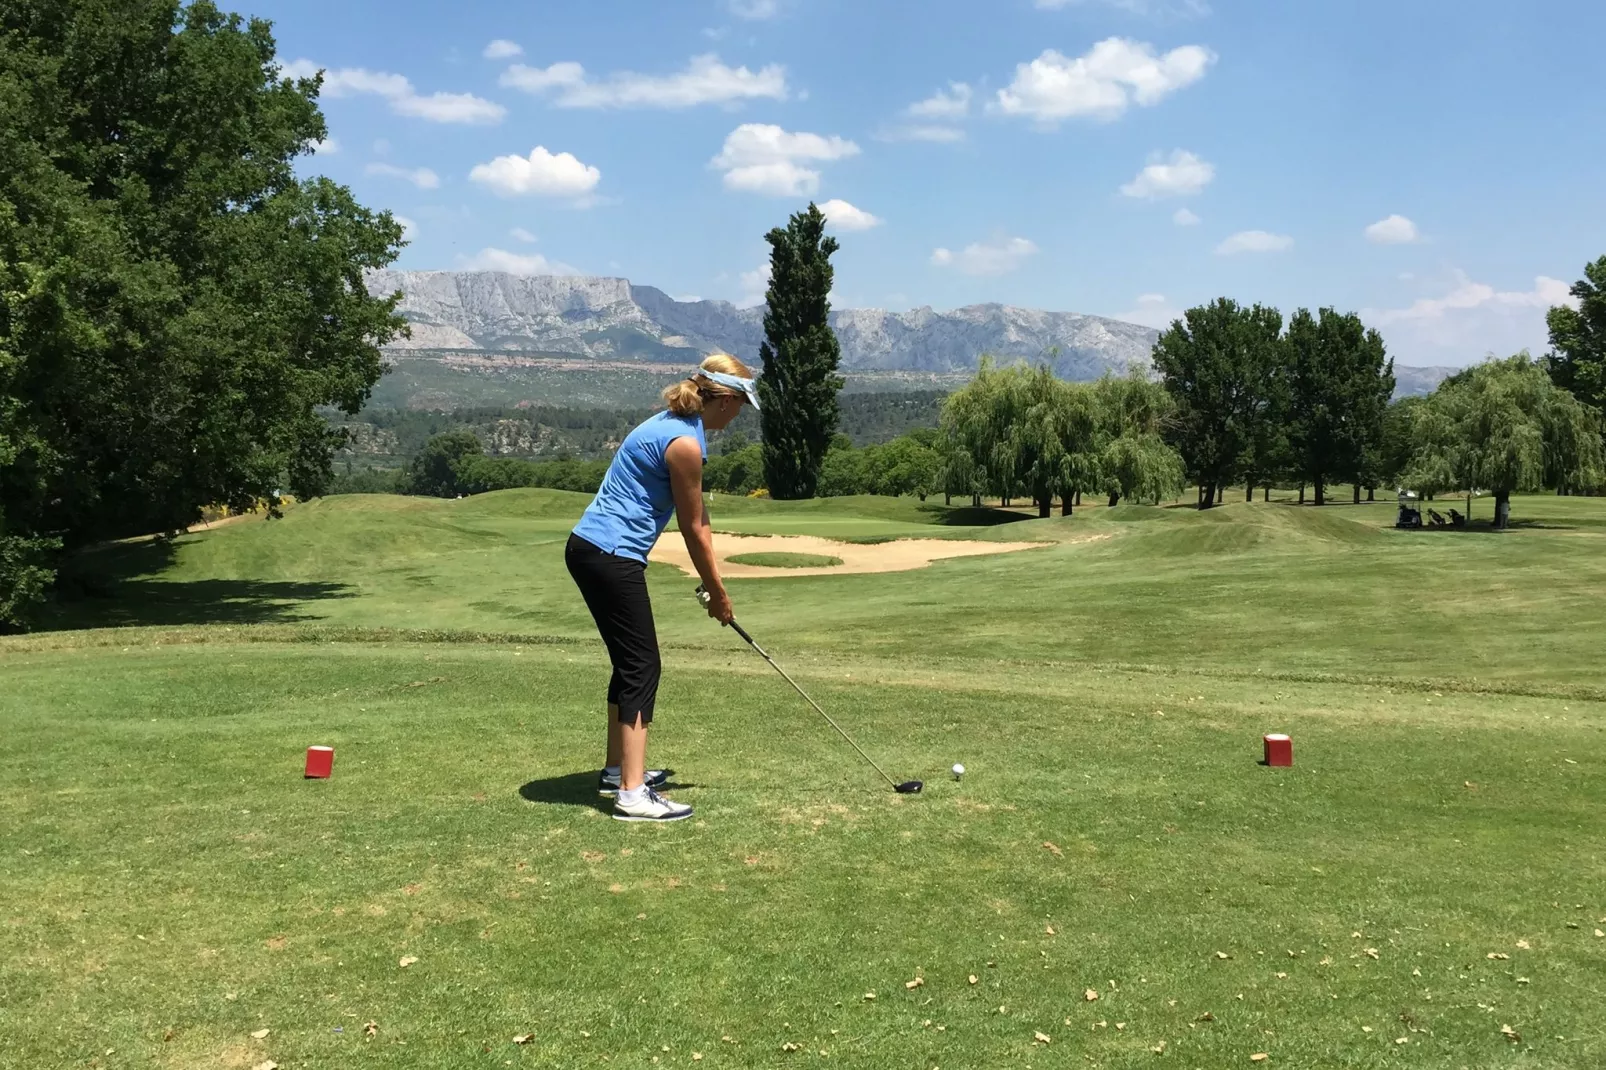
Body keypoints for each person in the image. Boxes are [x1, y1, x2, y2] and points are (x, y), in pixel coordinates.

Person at [565, 354, 760, 822]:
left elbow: (699, 519)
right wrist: (718, 593)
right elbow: (691, 529)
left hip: (592, 549)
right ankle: (631, 793)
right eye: (740, 404)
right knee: (642, 665)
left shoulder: (672, 422)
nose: (739, 415)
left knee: (629, 663)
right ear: (726, 401)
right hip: (611, 554)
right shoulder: (684, 444)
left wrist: (716, 587)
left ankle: (618, 771)